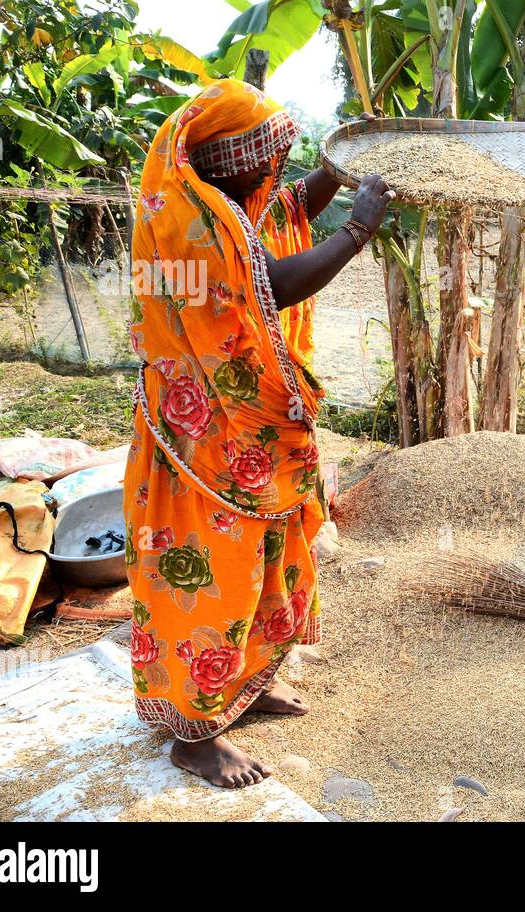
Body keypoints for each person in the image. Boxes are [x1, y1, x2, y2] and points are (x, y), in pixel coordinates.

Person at [123, 79, 394, 787]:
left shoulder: (232, 197)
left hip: (253, 436)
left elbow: (286, 208)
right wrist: (357, 230)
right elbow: (267, 282)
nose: (277, 172)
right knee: (212, 575)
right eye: (267, 159)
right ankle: (196, 734)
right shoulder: (186, 226)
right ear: (226, 163)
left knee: (265, 559)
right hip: (204, 441)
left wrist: (336, 170)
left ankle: (244, 681)